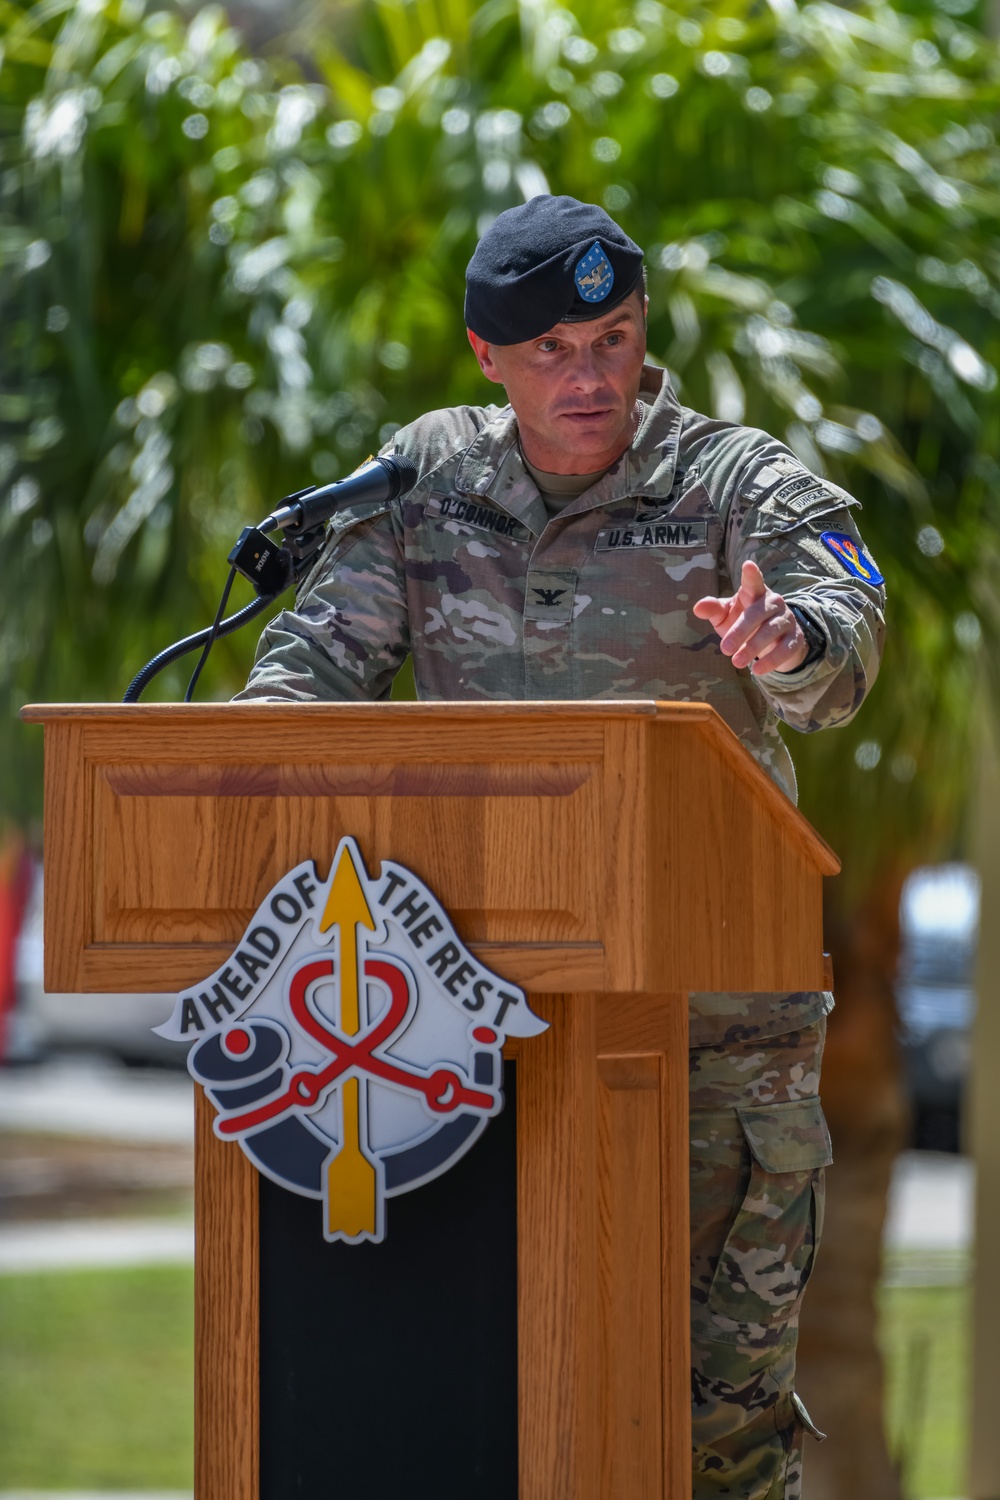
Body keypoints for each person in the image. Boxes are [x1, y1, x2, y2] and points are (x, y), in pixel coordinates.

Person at [236, 196, 885, 1498]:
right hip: (470, 1022)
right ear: (489, 358)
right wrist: (243, 778)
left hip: (714, 1029)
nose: (590, 377)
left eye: (615, 338)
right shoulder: (426, 479)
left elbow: (843, 625)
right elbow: (310, 671)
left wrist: (790, 641)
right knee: (491, 1396)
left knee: (715, 1427)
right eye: (553, 352)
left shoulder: (732, 477)